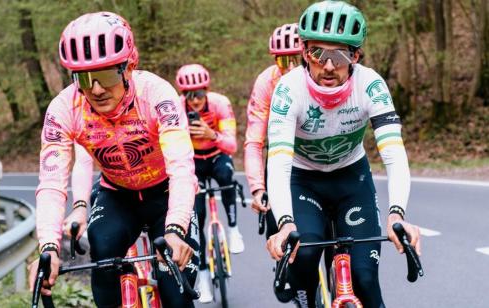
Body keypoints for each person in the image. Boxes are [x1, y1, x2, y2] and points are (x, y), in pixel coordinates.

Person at [27, 12, 200, 308]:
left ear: (128, 66)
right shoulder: (64, 109)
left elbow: (182, 167)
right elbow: (52, 183)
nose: (95, 89)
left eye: (106, 75)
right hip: (117, 195)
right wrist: (48, 247)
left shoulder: (157, 94)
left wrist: (175, 227)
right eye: (84, 78)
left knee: (176, 295)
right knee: (103, 252)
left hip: (166, 192)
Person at [265, 1, 421, 307]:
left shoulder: (371, 84)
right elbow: (279, 162)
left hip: (352, 179)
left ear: (356, 56)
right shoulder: (288, 89)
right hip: (303, 180)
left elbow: (394, 155)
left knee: (365, 280)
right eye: (317, 53)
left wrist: (397, 214)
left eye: (340, 55)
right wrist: (284, 222)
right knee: (305, 252)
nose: (328, 65)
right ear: (303, 52)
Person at [175, 63, 242, 303]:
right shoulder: (177, 111)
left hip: (216, 154)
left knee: (226, 177)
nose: (194, 101)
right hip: (193, 160)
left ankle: (233, 228)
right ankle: (203, 273)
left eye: (199, 94)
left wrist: (210, 134)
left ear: (207, 90)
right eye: (189, 95)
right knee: (197, 216)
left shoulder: (220, 104)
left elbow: (232, 146)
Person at [244, 23, 302, 239]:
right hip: (281, 152)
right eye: (283, 60)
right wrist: (259, 188)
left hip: (318, 154)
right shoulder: (266, 82)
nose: (290, 69)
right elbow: (254, 141)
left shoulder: (323, 75)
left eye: (296, 59)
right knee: (275, 226)